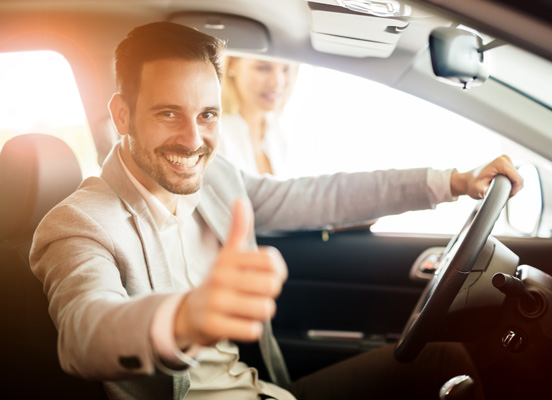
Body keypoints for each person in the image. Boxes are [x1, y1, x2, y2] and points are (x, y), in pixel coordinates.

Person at [29, 21, 523, 400]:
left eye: (207, 115)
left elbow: (319, 197)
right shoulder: (80, 223)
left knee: (443, 363)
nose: (193, 138)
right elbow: (83, 333)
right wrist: (182, 318)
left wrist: (451, 182)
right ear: (122, 115)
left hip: (267, 390)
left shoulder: (217, 175)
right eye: (167, 113)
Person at [218, 55, 298, 175]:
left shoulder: (278, 131)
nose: (277, 82)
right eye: (263, 68)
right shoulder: (217, 134)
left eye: (285, 69)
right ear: (231, 65)